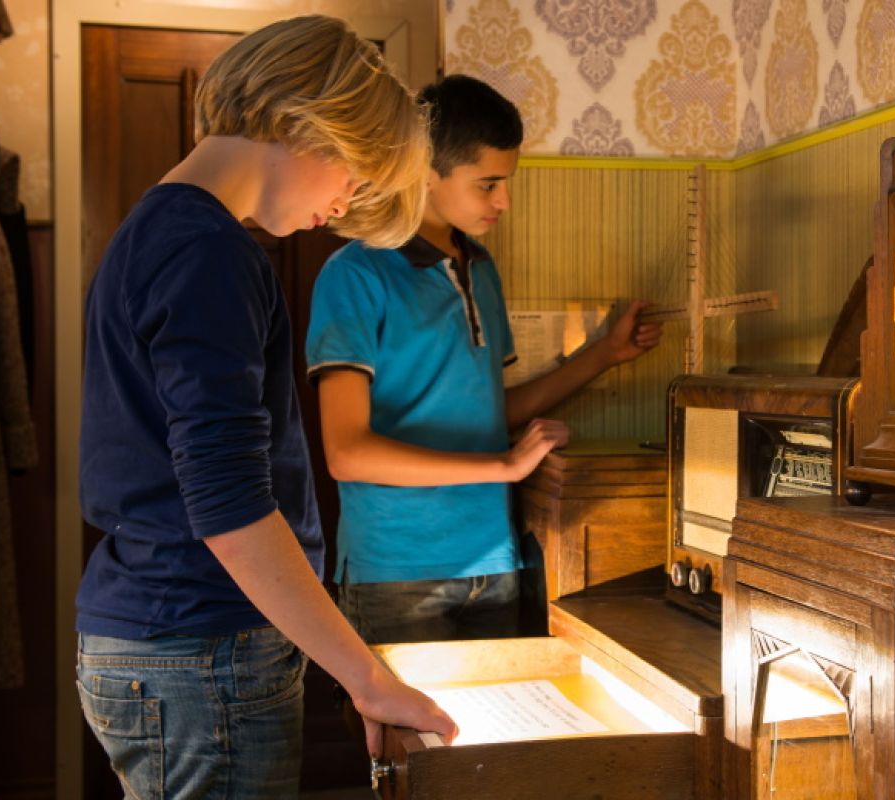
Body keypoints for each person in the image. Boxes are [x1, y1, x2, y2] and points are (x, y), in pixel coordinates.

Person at [74, 16, 456, 799]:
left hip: (158, 637)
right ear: (311, 124)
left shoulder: (157, 229)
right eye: (356, 171)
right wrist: (365, 676)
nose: (348, 198)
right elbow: (227, 504)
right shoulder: (209, 253)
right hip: (199, 649)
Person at [306, 74, 662, 645]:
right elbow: (347, 454)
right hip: (396, 573)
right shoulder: (355, 274)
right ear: (424, 172)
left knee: (501, 733)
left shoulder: (482, 268)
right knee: (412, 737)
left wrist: (604, 355)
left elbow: (491, 414)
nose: (504, 202)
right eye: (488, 184)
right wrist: (504, 466)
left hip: (496, 562)